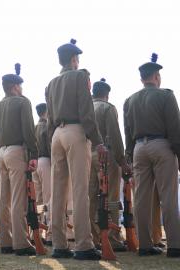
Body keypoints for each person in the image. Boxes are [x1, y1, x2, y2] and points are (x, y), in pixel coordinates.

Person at [45, 39, 106, 260]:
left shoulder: (51, 83)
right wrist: (97, 140)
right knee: (80, 190)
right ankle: (83, 245)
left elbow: (50, 117)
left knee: (58, 192)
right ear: (73, 60)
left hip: (56, 135)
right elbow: (86, 112)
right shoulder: (81, 76)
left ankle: (59, 245)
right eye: (77, 58)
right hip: (76, 131)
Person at [123, 53, 180, 257]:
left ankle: (145, 245)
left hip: (139, 148)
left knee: (141, 199)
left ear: (142, 78)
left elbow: (127, 132)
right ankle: (175, 245)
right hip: (161, 145)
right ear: (157, 76)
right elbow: (175, 129)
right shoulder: (166, 95)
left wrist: (129, 156)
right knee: (168, 197)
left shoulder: (129, 100)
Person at [0, 63, 38, 256]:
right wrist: (33, 154)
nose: (22, 89)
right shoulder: (22, 102)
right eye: (20, 86)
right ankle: (20, 243)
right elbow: (28, 130)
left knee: (4, 200)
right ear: (15, 87)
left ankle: (6, 242)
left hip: (1, 152)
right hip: (16, 150)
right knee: (18, 199)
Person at [88, 78, 129, 251]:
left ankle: (93, 236)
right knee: (112, 198)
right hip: (107, 156)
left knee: (90, 198)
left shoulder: (86, 109)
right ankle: (113, 237)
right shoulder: (108, 108)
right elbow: (115, 137)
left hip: (88, 155)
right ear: (107, 94)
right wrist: (122, 160)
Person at [33, 103, 52, 244]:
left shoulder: (34, 127)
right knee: (49, 199)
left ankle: (38, 231)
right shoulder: (47, 126)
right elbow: (51, 148)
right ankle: (50, 232)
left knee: (39, 199)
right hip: (46, 161)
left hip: (35, 163)